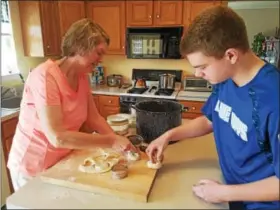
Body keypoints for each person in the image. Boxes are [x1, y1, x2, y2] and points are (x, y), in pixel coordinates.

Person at [146, 5, 279, 210]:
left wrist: (223, 193)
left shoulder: (273, 97)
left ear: (231, 55)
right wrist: (168, 136)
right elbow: (210, 119)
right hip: (230, 190)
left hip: (261, 203)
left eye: (202, 67)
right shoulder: (225, 78)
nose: (198, 74)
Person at [7, 18, 135, 191]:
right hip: (32, 166)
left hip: (60, 162)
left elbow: (94, 118)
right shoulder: (45, 76)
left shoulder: (82, 77)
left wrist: (120, 145)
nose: (101, 59)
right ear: (81, 46)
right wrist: (111, 141)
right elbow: (57, 137)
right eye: (99, 52)